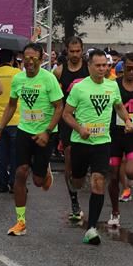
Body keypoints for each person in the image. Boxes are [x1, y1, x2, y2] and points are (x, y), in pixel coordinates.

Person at [62, 49, 133, 245]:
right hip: (80, 143)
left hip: (102, 143)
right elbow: (66, 114)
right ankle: (73, 186)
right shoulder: (79, 88)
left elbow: (119, 106)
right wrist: (79, 128)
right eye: (98, 65)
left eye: (105, 65)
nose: (103, 68)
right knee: (77, 182)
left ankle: (91, 228)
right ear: (89, 66)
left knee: (98, 182)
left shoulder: (112, 86)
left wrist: (127, 120)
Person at [0, 42, 64, 236]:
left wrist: (47, 132)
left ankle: (44, 170)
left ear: (41, 59)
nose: (29, 61)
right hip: (24, 130)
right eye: (26, 57)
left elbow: (59, 107)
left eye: (33, 58)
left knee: (39, 182)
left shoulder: (48, 79)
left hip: (45, 133)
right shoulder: (18, 79)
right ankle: (20, 222)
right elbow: (11, 105)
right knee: (21, 172)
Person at [108, 52, 133, 227]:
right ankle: (115, 212)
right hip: (114, 135)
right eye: (128, 68)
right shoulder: (114, 85)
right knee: (113, 175)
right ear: (123, 68)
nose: (131, 71)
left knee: (131, 172)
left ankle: (129, 184)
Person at [54, 36, 89, 221]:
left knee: (86, 159)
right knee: (69, 156)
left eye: (78, 51)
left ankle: (84, 177)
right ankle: (74, 200)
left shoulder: (90, 69)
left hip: (90, 120)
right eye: (72, 51)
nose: (75, 55)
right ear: (66, 50)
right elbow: (55, 100)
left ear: (82, 50)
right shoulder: (59, 72)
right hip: (68, 120)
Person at [0, 48, 20, 193]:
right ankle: (15, 184)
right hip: (16, 119)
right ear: (12, 59)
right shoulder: (18, 74)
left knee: (0, 155)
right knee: (16, 156)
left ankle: (2, 184)